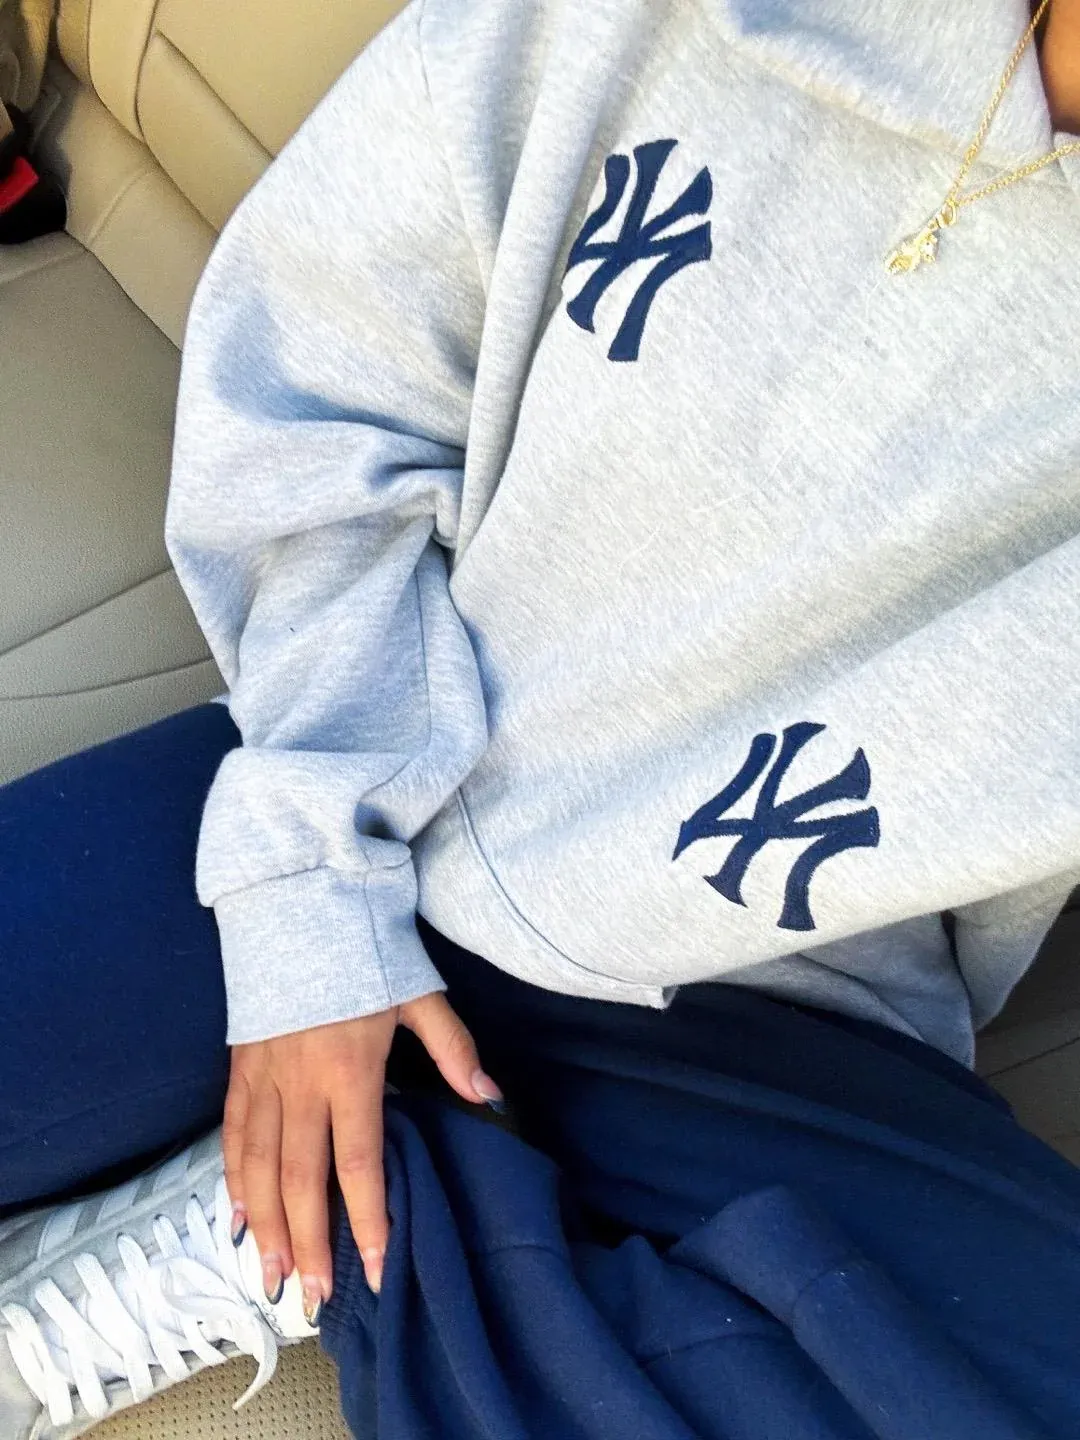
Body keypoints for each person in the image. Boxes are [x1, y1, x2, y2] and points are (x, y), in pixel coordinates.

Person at [2, 0, 1080, 1435]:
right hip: (376, 764)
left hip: (774, 991)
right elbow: (323, 368)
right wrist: (311, 901)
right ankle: (383, 1235)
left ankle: (326, 1230)